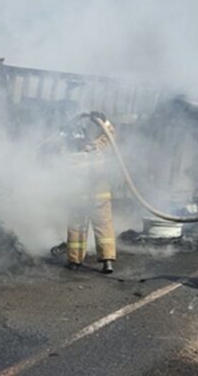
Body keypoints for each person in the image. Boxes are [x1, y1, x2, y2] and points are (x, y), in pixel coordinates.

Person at [63, 112, 116, 274]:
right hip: (100, 196)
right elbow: (109, 135)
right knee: (104, 226)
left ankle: (75, 261)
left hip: (78, 197)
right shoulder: (97, 148)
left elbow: (58, 146)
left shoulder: (69, 154)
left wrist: (66, 128)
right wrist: (105, 122)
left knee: (76, 226)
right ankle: (107, 261)